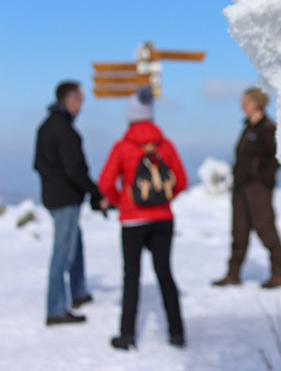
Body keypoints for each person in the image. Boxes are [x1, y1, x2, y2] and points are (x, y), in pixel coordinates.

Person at [98, 86, 187, 350]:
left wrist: (120, 201)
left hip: (132, 221)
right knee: (165, 274)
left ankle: (127, 336)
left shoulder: (123, 146)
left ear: (130, 116)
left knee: (131, 277)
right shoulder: (166, 145)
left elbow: (104, 184)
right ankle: (177, 332)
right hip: (163, 220)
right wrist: (163, 200)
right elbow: (180, 181)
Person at [34, 81, 107, 326]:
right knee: (63, 253)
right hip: (65, 199)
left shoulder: (45, 127)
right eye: (81, 100)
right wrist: (95, 192)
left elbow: (38, 164)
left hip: (54, 197)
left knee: (74, 244)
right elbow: (75, 169)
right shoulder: (65, 131)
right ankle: (55, 309)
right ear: (70, 101)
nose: (82, 106)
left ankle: (78, 291)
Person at [212, 87, 281, 289]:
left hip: (257, 190)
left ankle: (278, 274)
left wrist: (262, 179)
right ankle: (233, 274)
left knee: (266, 230)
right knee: (239, 232)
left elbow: (279, 157)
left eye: (246, 101)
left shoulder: (268, 128)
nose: (242, 105)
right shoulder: (247, 127)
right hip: (240, 189)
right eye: (242, 101)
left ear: (257, 102)